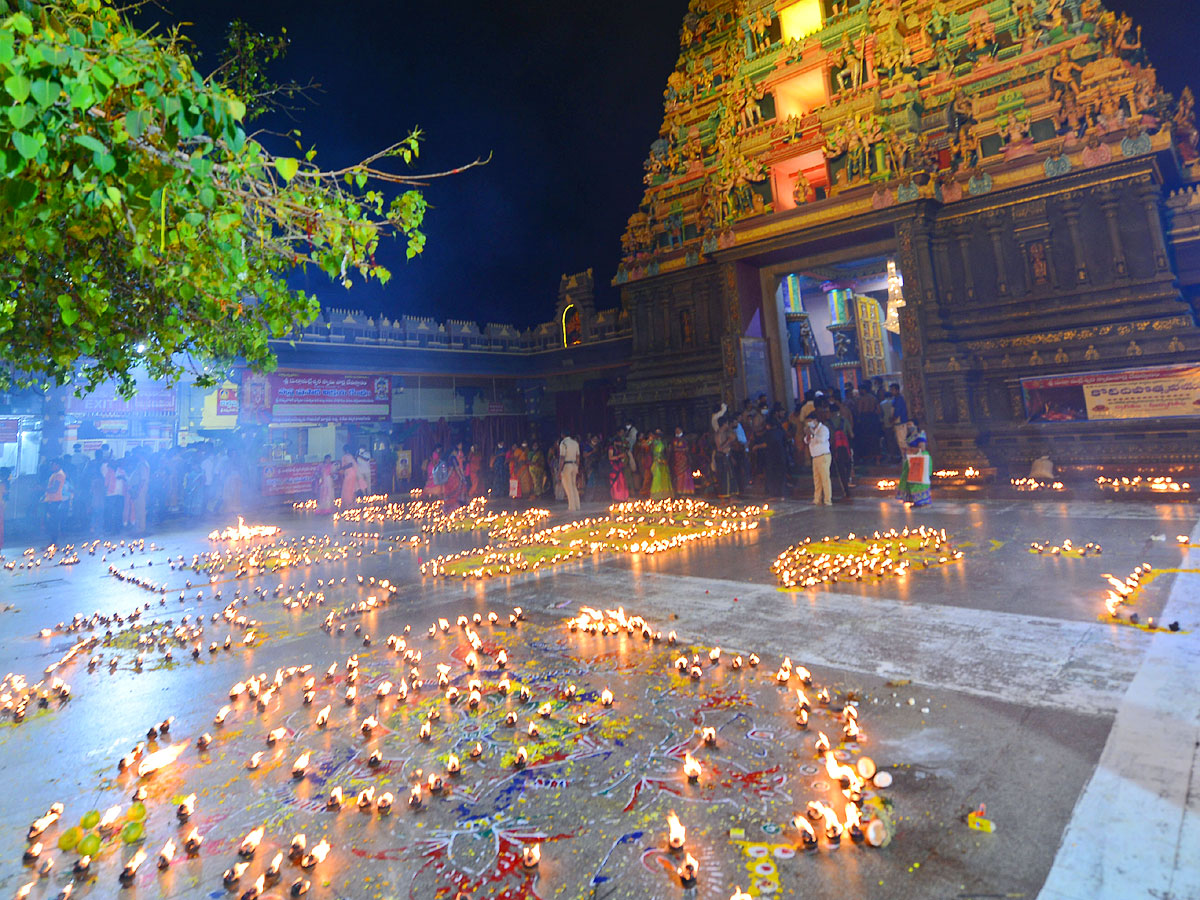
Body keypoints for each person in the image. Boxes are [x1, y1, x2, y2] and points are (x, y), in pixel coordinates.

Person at [896, 429, 932, 507]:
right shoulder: (910, 436)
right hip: (912, 459)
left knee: (919, 480)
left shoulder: (920, 435)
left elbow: (922, 448)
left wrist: (910, 450)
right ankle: (915, 501)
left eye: (910, 425)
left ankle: (922, 501)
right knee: (911, 480)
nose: (908, 427)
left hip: (920, 459)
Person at [804, 412, 832, 506]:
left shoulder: (823, 429)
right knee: (817, 479)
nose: (809, 423)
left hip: (823, 456)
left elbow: (821, 440)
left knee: (825, 479)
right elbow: (806, 441)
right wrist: (808, 434)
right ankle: (817, 499)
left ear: (815, 420)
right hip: (815, 457)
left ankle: (827, 500)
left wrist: (813, 433)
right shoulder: (812, 430)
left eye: (810, 421)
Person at [828, 400, 855, 497]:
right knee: (848, 465)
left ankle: (845, 488)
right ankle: (847, 481)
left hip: (835, 449)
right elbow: (851, 435)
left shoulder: (828, 423)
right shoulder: (844, 420)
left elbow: (828, 438)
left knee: (840, 469)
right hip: (845, 447)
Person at [43, 458, 68, 542]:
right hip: (51, 500)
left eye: (52, 464)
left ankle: (54, 542)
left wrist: (42, 489)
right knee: (51, 522)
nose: (51, 466)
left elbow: (54, 489)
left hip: (55, 501)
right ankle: (53, 541)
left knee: (53, 522)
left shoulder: (59, 475)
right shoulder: (55, 474)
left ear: (57, 465)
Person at [557, 431, 581, 511]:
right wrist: (577, 466)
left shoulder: (563, 443)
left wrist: (559, 470)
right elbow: (578, 456)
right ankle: (577, 505)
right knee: (574, 486)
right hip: (574, 465)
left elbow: (562, 458)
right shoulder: (575, 443)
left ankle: (572, 507)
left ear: (562, 434)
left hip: (567, 466)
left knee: (568, 487)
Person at [669, 427, 694, 496]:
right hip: (676, 460)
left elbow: (688, 449)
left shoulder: (685, 439)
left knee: (685, 475)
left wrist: (681, 450)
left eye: (678, 430)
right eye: (676, 430)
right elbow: (672, 449)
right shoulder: (673, 440)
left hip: (684, 460)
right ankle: (679, 491)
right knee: (678, 476)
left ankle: (686, 491)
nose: (677, 431)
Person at [890, 383, 910, 462]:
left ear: (897, 390)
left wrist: (892, 419)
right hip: (897, 423)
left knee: (902, 441)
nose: (891, 392)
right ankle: (904, 457)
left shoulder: (899, 400)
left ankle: (906, 458)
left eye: (893, 390)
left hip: (900, 423)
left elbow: (897, 412)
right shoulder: (895, 399)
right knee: (900, 441)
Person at [649, 429, 672, 500]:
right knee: (657, 478)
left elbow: (668, 451)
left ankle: (665, 495)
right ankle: (656, 495)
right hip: (656, 462)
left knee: (664, 478)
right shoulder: (653, 442)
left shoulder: (664, 442)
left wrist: (667, 459)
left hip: (663, 462)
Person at [607, 436, 629, 501]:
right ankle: (616, 497)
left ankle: (623, 497)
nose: (620, 444)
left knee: (621, 480)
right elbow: (610, 457)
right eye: (619, 442)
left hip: (619, 466)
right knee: (615, 482)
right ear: (615, 442)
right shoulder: (611, 448)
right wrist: (619, 456)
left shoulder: (619, 449)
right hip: (613, 467)